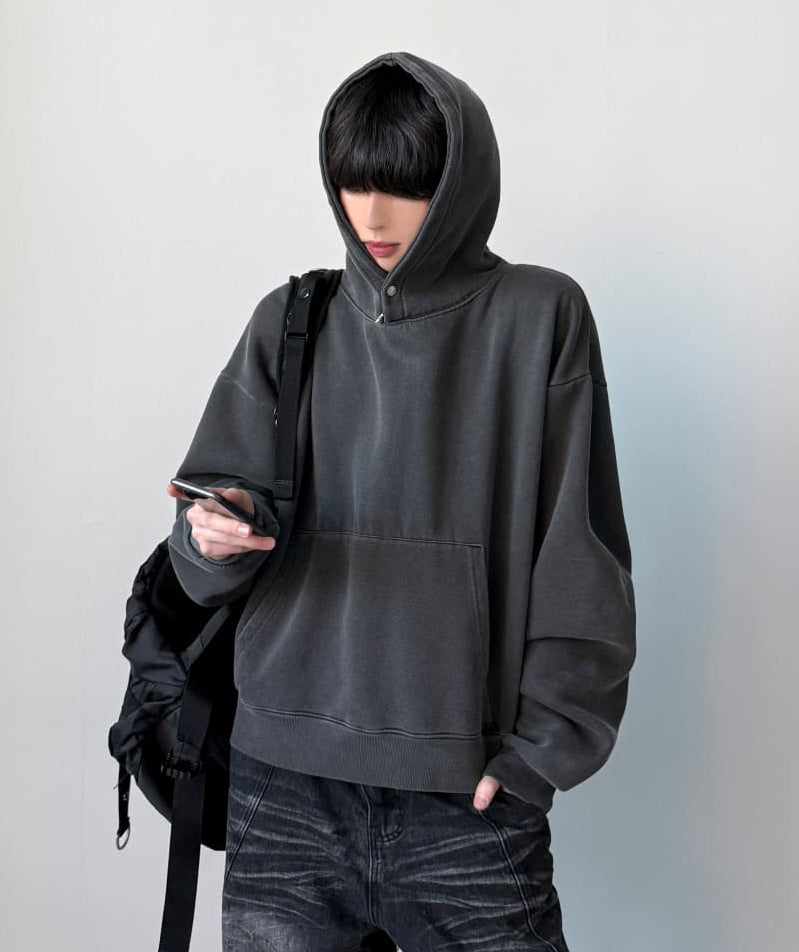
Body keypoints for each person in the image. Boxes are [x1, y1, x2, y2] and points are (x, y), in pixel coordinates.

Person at [166, 50, 636, 952]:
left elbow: (580, 551)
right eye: (352, 184)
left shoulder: (539, 315)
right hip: (281, 787)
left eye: (406, 188)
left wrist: (540, 756)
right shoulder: (291, 319)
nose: (372, 216)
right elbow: (201, 547)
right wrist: (210, 537)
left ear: (459, 182)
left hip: (466, 798)